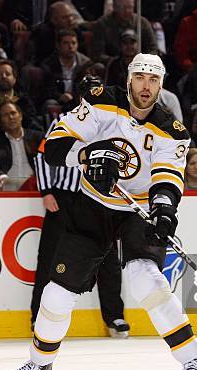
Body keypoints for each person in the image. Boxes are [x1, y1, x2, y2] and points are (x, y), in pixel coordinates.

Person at [0, 54, 197, 370]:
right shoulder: (101, 102)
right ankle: (39, 363)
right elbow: (54, 147)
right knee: (57, 291)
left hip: (137, 208)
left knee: (147, 279)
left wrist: (163, 210)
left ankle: (194, 363)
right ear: (129, 79)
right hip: (93, 204)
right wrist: (88, 157)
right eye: (141, 77)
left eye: (153, 80)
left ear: (161, 86)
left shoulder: (173, 131)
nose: (146, 86)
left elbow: (167, 178)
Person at [32, 74, 131, 338]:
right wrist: (47, 191)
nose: (93, 96)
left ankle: (115, 316)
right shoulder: (66, 121)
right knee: (50, 257)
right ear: (81, 96)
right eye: (89, 92)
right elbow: (42, 155)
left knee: (109, 259)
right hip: (63, 198)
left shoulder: (115, 123)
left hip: (99, 200)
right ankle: (37, 316)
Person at [0, 101, 43, 182]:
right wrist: (0, 176)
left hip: (34, 184)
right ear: (1, 121)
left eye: (13, 113)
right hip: (7, 186)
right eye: (5, 115)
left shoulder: (39, 138)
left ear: (20, 116)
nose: (11, 117)